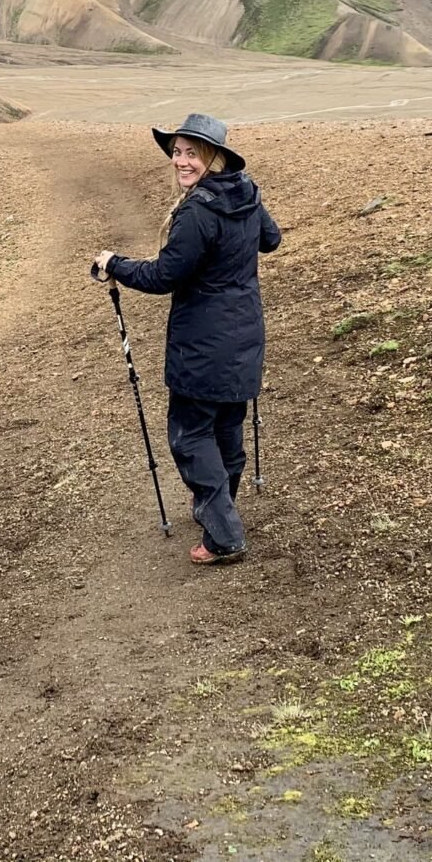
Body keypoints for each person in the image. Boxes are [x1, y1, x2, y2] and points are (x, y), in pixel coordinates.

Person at [94, 113, 281, 565]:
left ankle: (223, 533)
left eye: (191, 153)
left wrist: (114, 263)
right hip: (244, 335)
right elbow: (270, 240)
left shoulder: (198, 210)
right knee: (226, 427)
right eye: (177, 152)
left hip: (203, 342)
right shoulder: (246, 193)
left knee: (191, 435)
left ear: (213, 157)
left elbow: (164, 275)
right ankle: (223, 509)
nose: (181, 160)